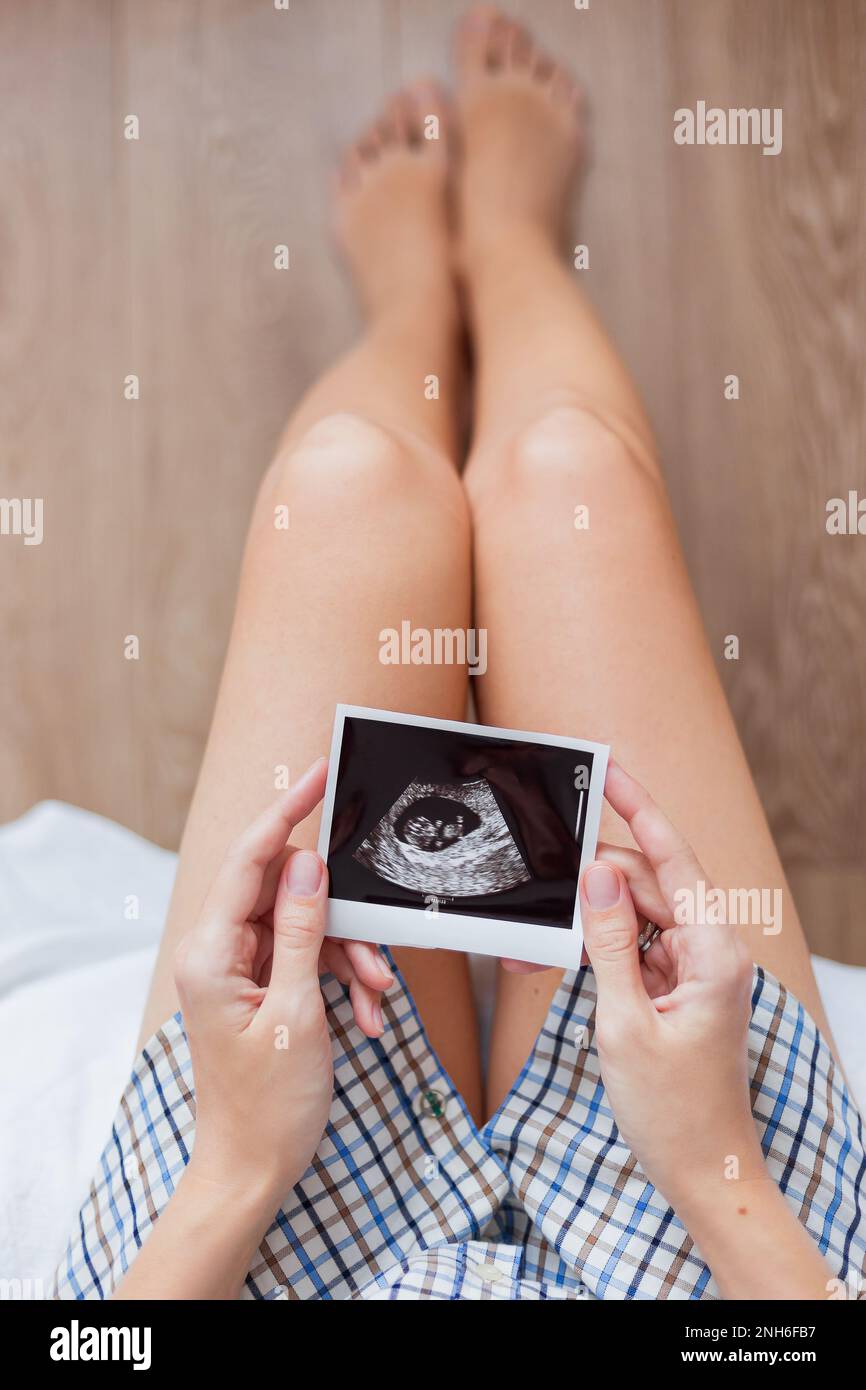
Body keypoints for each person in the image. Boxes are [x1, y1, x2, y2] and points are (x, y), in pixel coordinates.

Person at [54, 8, 864, 1301]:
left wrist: (229, 1172)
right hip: (724, 1272)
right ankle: (503, 248)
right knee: (564, 478)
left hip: (241, 1251)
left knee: (347, 492)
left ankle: (419, 299)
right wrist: (718, 1165)